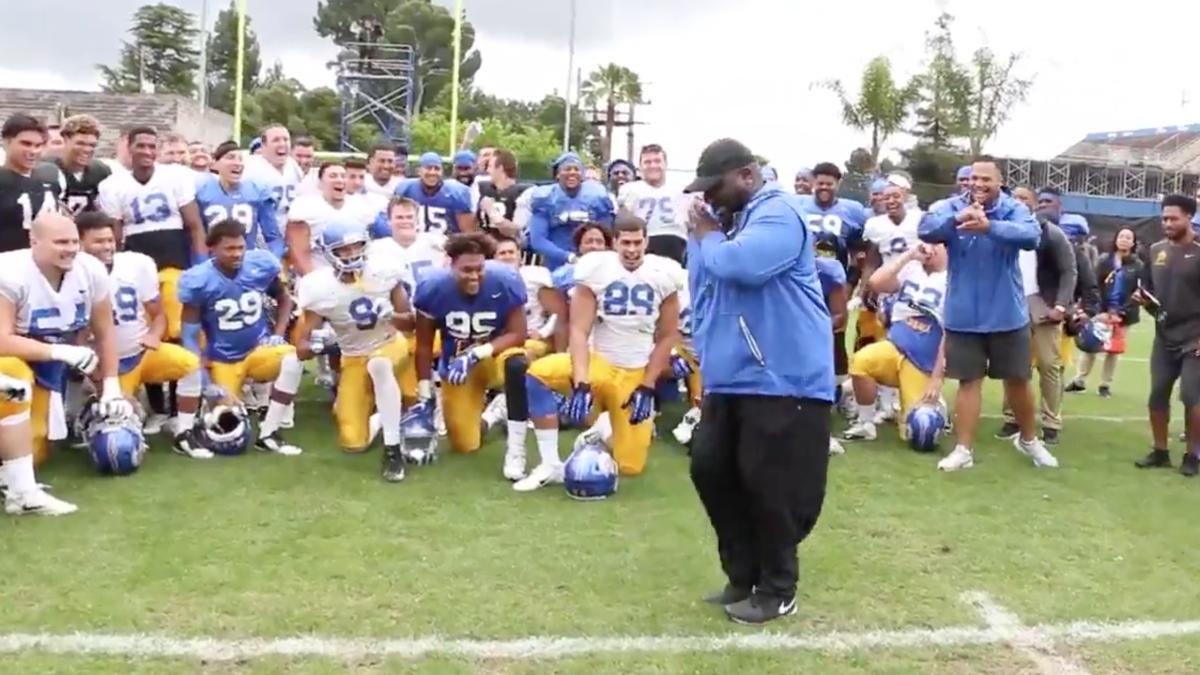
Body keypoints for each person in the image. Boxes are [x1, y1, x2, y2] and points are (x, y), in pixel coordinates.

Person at [683, 138, 835, 625]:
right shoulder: (726, 223)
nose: (709, 198)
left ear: (747, 176)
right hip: (730, 376)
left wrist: (707, 235)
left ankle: (778, 588)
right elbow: (704, 288)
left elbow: (740, 267)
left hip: (782, 376)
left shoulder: (778, 213)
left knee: (769, 483)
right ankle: (742, 576)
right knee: (711, 470)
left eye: (716, 186)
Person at [522, 215, 683, 490]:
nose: (632, 250)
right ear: (615, 243)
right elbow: (579, 331)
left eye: (637, 242)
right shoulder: (595, 269)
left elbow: (667, 335)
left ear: (646, 242)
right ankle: (550, 463)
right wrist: (582, 381)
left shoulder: (664, 274)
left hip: (635, 372)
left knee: (630, 467)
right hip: (600, 363)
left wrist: (647, 386)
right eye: (626, 243)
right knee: (537, 374)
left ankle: (599, 432)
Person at [918, 157, 1055, 471]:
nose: (978, 185)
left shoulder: (1013, 209)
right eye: (972, 179)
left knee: (1018, 381)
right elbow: (926, 230)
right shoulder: (951, 207)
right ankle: (963, 451)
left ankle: (1030, 441)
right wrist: (956, 221)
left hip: (1007, 313)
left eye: (985, 180)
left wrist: (990, 227)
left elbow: (1031, 236)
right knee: (969, 381)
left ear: (999, 182)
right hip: (963, 314)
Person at [75, 211, 209, 458]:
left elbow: (158, 315)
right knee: (119, 418)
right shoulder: (73, 274)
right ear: (80, 243)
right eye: (98, 241)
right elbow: (76, 338)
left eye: (109, 240)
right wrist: (96, 378)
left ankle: (185, 429)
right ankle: (91, 415)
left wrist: (154, 335)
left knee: (191, 365)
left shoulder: (136, 264)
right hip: (106, 366)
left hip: (141, 352)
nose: (106, 247)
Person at [295, 221, 412, 480]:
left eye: (356, 247)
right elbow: (301, 346)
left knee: (379, 364)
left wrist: (392, 314)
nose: (351, 254)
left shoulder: (384, 271)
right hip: (353, 356)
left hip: (390, 345)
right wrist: (319, 344)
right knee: (353, 443)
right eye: (343, 250)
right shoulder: (318, 287)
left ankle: (393, 451)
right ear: (328, 253)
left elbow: (410, 323)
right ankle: (383, 415)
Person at [177, 219, 304, 457]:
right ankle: (186, 431)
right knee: (226, 426)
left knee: (292, 358)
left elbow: (284, 299)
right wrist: (207, 382)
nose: (237, 254)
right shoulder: (199, 279)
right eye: (229, 249)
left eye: (240, 247)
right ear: (212, 249)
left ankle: (269, 433)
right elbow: (189, 335)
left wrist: (278, 335)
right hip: (223, 359)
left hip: (258, 351)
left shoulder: (260, 264)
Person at [411, 233, 528, 459]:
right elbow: (424, 345)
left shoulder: (505, 279)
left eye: (480, 268)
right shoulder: (433, 286)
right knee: (465, 444)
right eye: (467, 270)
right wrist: (425, 392)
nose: (475, 276)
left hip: (497, 356)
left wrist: (476, 353)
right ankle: (492, 417)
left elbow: (518, 334)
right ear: (450, 264)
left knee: (517, 363)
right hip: (457, 364)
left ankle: (512, 417)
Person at [996, 186, 1078, 445]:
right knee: (1012, 364)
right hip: (1011, 301)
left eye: (1025, 199)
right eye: (1015, 198)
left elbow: (1069, 271)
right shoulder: (1003, 229)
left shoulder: (1050, 233)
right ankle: (1012, 418)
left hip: (1041, 303)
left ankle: (1051, 422)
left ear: (1035, 205)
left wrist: (1061, 306)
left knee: (1048, 365)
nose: (1019, 202)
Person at [844, 243, 948, 442]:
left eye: (937, 244)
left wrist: (937, 378)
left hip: (922, 358)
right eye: (928, 242)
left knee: (914, 433)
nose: (931, 248)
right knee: (860, 362)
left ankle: (937, 406)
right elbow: (875, 283)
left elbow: (950, 334)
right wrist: (908, 255)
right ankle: (866, 423)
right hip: (895, 345)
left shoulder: (954, 280)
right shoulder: (911, 268)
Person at [1134, 194, 1200, 475]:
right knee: (1157, 395)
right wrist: (1144, 300)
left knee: (1192, 396)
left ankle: (1192, 456)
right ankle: (1160, 451)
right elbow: (1152, 293)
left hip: (1194, 338)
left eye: (1174, 218)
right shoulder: (1155, 250)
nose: (1168, 223)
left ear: (1189, 218)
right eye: (1164, 218)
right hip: (1164, 336)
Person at [1067, 227, 1142, 397]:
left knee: (1113, 350)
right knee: (1091, 345)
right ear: (1116, 239)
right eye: (1121, 236)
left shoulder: (1137, 265)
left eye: (1128, 237)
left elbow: (1139, 292)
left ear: (1133, 242)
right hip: (1101, 312)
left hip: (1124, 315)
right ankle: (1079, 381)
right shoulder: (1104, 260)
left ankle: (1105, 385)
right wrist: (1099, 311)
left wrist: (1120, 312)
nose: (1124, 240)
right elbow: (1094, 285)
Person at [286, 162, 377, 277]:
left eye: (343, 176)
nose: (339, 180)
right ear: (320, 182)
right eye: (333, 176)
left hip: (355, 276)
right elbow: (298, 252)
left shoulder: (361, 206)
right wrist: (311, 280)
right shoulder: (305, 207)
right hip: (320, 274)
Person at [527, 152, 615, 270]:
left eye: (576, 169)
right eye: (567, 169)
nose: (572, 172)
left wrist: (592, 257)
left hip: (592, 264)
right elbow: (538, 240)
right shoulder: (545, 198)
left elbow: (607, 236)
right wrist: (568, 257)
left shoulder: (597, 196)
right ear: (557, 174)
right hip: (556, 264)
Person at [195, 142, 284, 258]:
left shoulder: (256, 190)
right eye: (230, 158)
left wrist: (273, 261)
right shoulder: (202, 189)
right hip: (213, 263)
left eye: (240, 159)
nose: (237, 163)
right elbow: (195, 234)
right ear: (214, 164)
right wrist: (202, 265)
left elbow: (273, 236)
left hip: (246, 263)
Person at [616, 144, 688, 264]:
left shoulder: (681, 190)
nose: (653, 165)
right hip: (643, 242)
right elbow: (623, 223)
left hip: (676, 241)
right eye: (647, 162)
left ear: (665, 164)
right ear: (640, 166)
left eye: (657, 161)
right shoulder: (629, 190)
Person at [0, 114, 61, 252]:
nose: (33, 151)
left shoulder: (50, 179)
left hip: (41, 264)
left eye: (38, 145)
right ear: (7, 141)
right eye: (26, 144)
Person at [33, 114, 110, 215]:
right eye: (80, 143)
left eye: (92, 145)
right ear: (65, 139)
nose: (87, 149)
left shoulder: (101, 172)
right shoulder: (46, 170)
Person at [393, 152, 476, 235]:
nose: (432, 172)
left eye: (437, 168)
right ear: (419, 171)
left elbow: (468, 233)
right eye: (428, 168)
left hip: (447, 244)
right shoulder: (406, 188)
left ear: (442, 171)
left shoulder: (456, 192)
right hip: (415, 243)